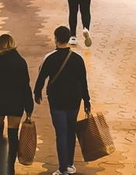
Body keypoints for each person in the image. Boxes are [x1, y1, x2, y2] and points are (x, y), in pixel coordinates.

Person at [35, 25, 92, 175]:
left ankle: (62, 169)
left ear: (55, 38)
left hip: (56, 101)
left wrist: (37, 92)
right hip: (74, 100)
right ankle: (70, 164)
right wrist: (87, 100)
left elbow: (41, 78)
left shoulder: (50, 58)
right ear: (68, 39)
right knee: (70, 131)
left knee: (61, 133)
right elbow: (83, 81)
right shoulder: (78, 58)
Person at [0, 34, 35, 175]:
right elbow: (25, 86)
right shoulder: (20, 61)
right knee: (13, 135)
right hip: (16, 103)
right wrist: (29, 107)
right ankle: (10, 167)